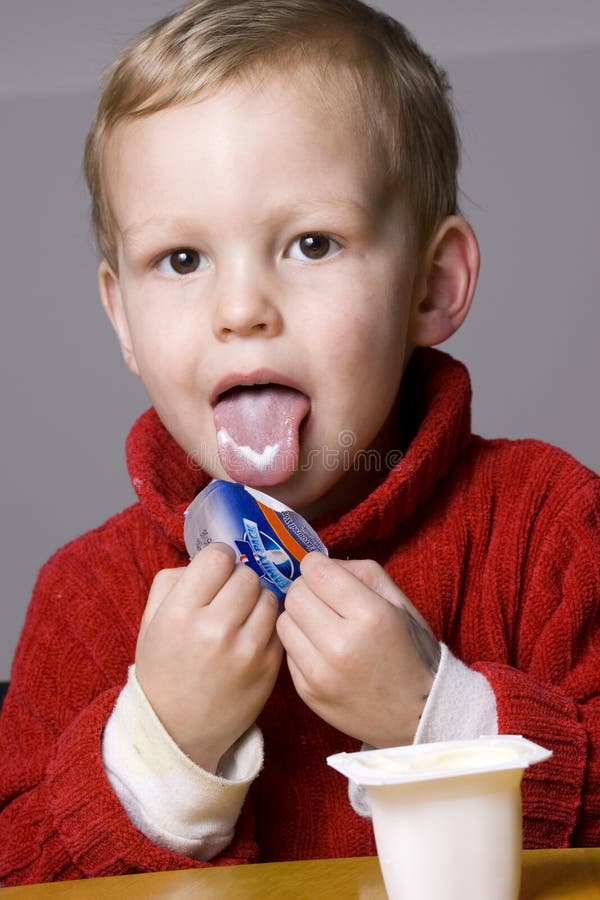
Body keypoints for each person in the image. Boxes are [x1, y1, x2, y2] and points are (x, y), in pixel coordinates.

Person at [1, 0, 598, 885]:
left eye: (312, 243)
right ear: (121, 315)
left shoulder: (551, 526)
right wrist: (160, 750)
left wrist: (442, 721)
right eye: (181, 259)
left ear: (430, 288)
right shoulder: (85, 599)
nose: (241, 310)